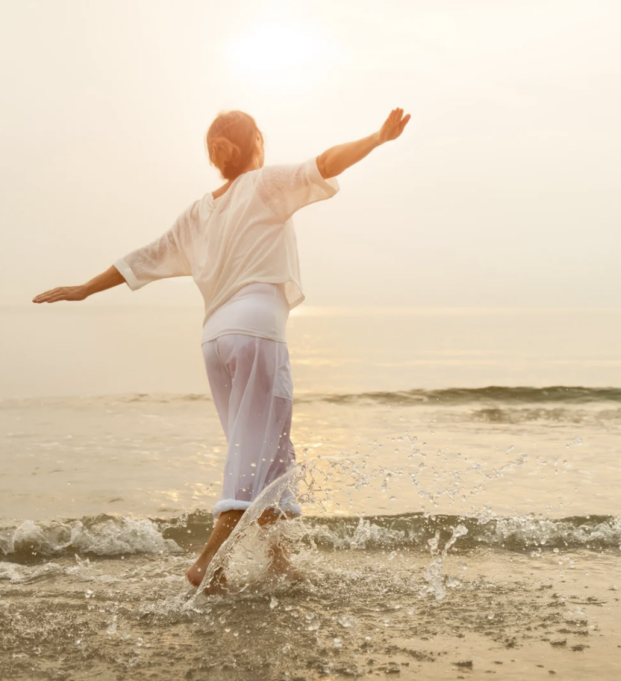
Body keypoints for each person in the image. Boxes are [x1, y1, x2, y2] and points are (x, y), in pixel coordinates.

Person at [33, 107, 412, 591]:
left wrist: (85, 288)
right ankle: (210, 564)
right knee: (253, 455)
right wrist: (377, 138)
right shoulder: (264, 184)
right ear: (255, 140)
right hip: (256, 334)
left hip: (216, 340)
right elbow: (324, 163)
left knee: (266, 450)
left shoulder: (198, 212)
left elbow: (144, 258)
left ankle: (278, 559)